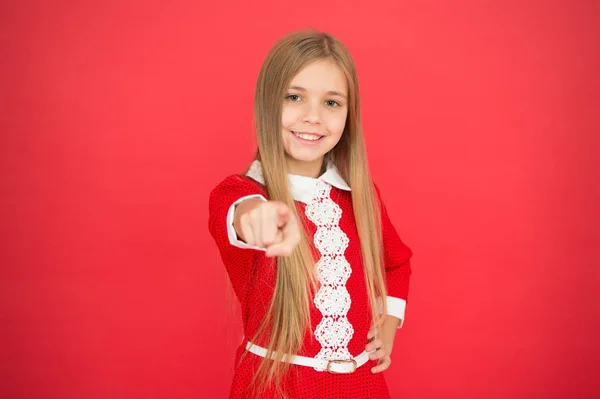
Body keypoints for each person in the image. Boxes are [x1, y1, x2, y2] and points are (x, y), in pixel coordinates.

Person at [208, 29, 413, 399]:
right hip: (276, 387)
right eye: (294, 97)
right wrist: (260, 220)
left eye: (332, 103)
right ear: (267, 103)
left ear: (349, 114)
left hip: (362, 386)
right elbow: (238, 215)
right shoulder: (243, 192)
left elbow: (395, 264)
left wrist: (389, 323)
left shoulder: (361, 197)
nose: (313, 117)